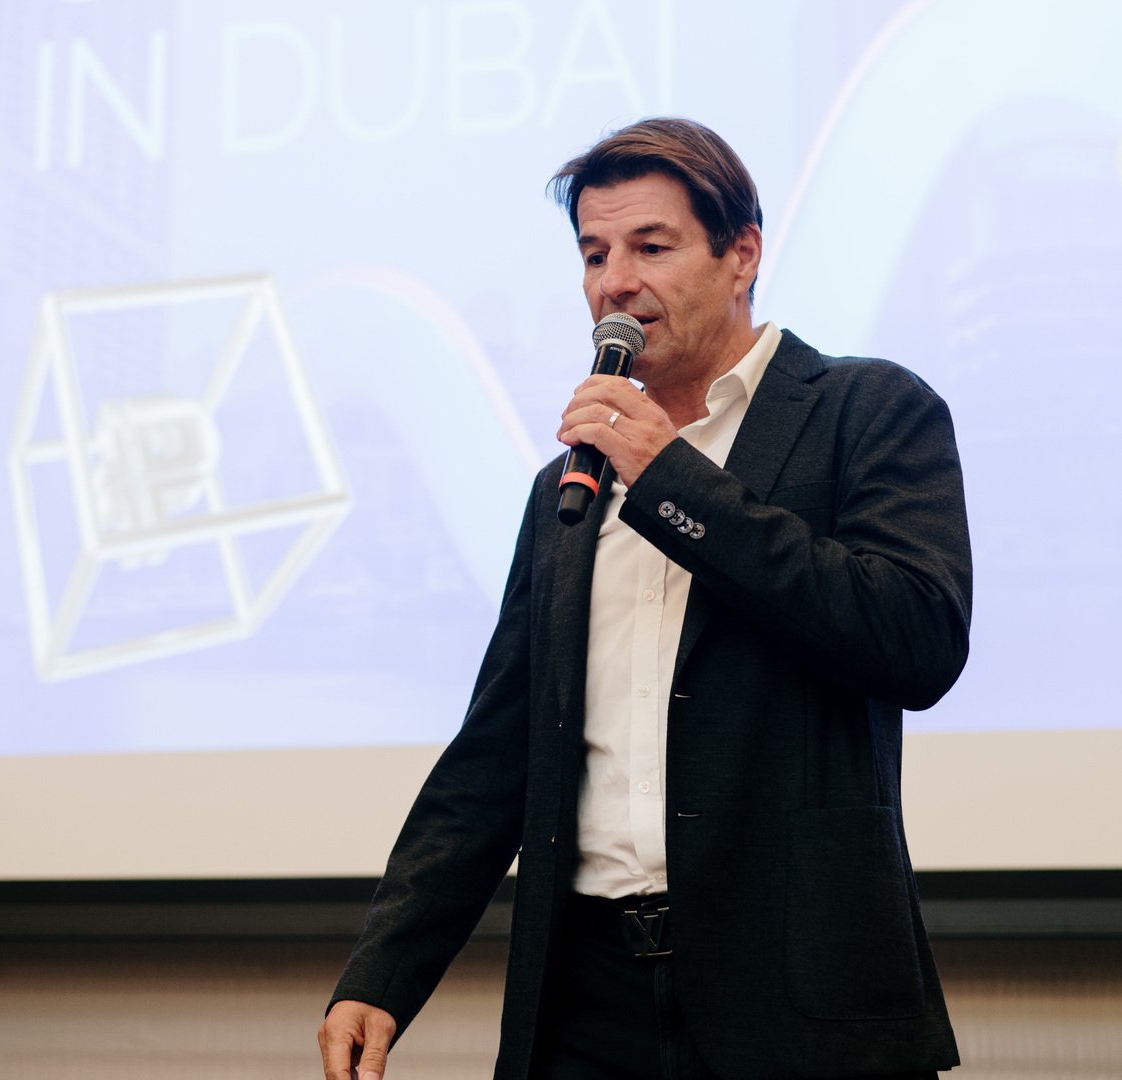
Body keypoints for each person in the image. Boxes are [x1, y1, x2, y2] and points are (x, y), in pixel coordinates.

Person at [319, 117, 972, 1080]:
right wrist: (383, 970)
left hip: (793, 997)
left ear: (741, 254)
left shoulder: (865, 411)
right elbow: (496, 751)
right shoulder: (567, 487)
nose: (613, 282)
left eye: (650, 247)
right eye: (594, 254)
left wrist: (671, 482)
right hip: (584, 1001)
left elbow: (916, 640)